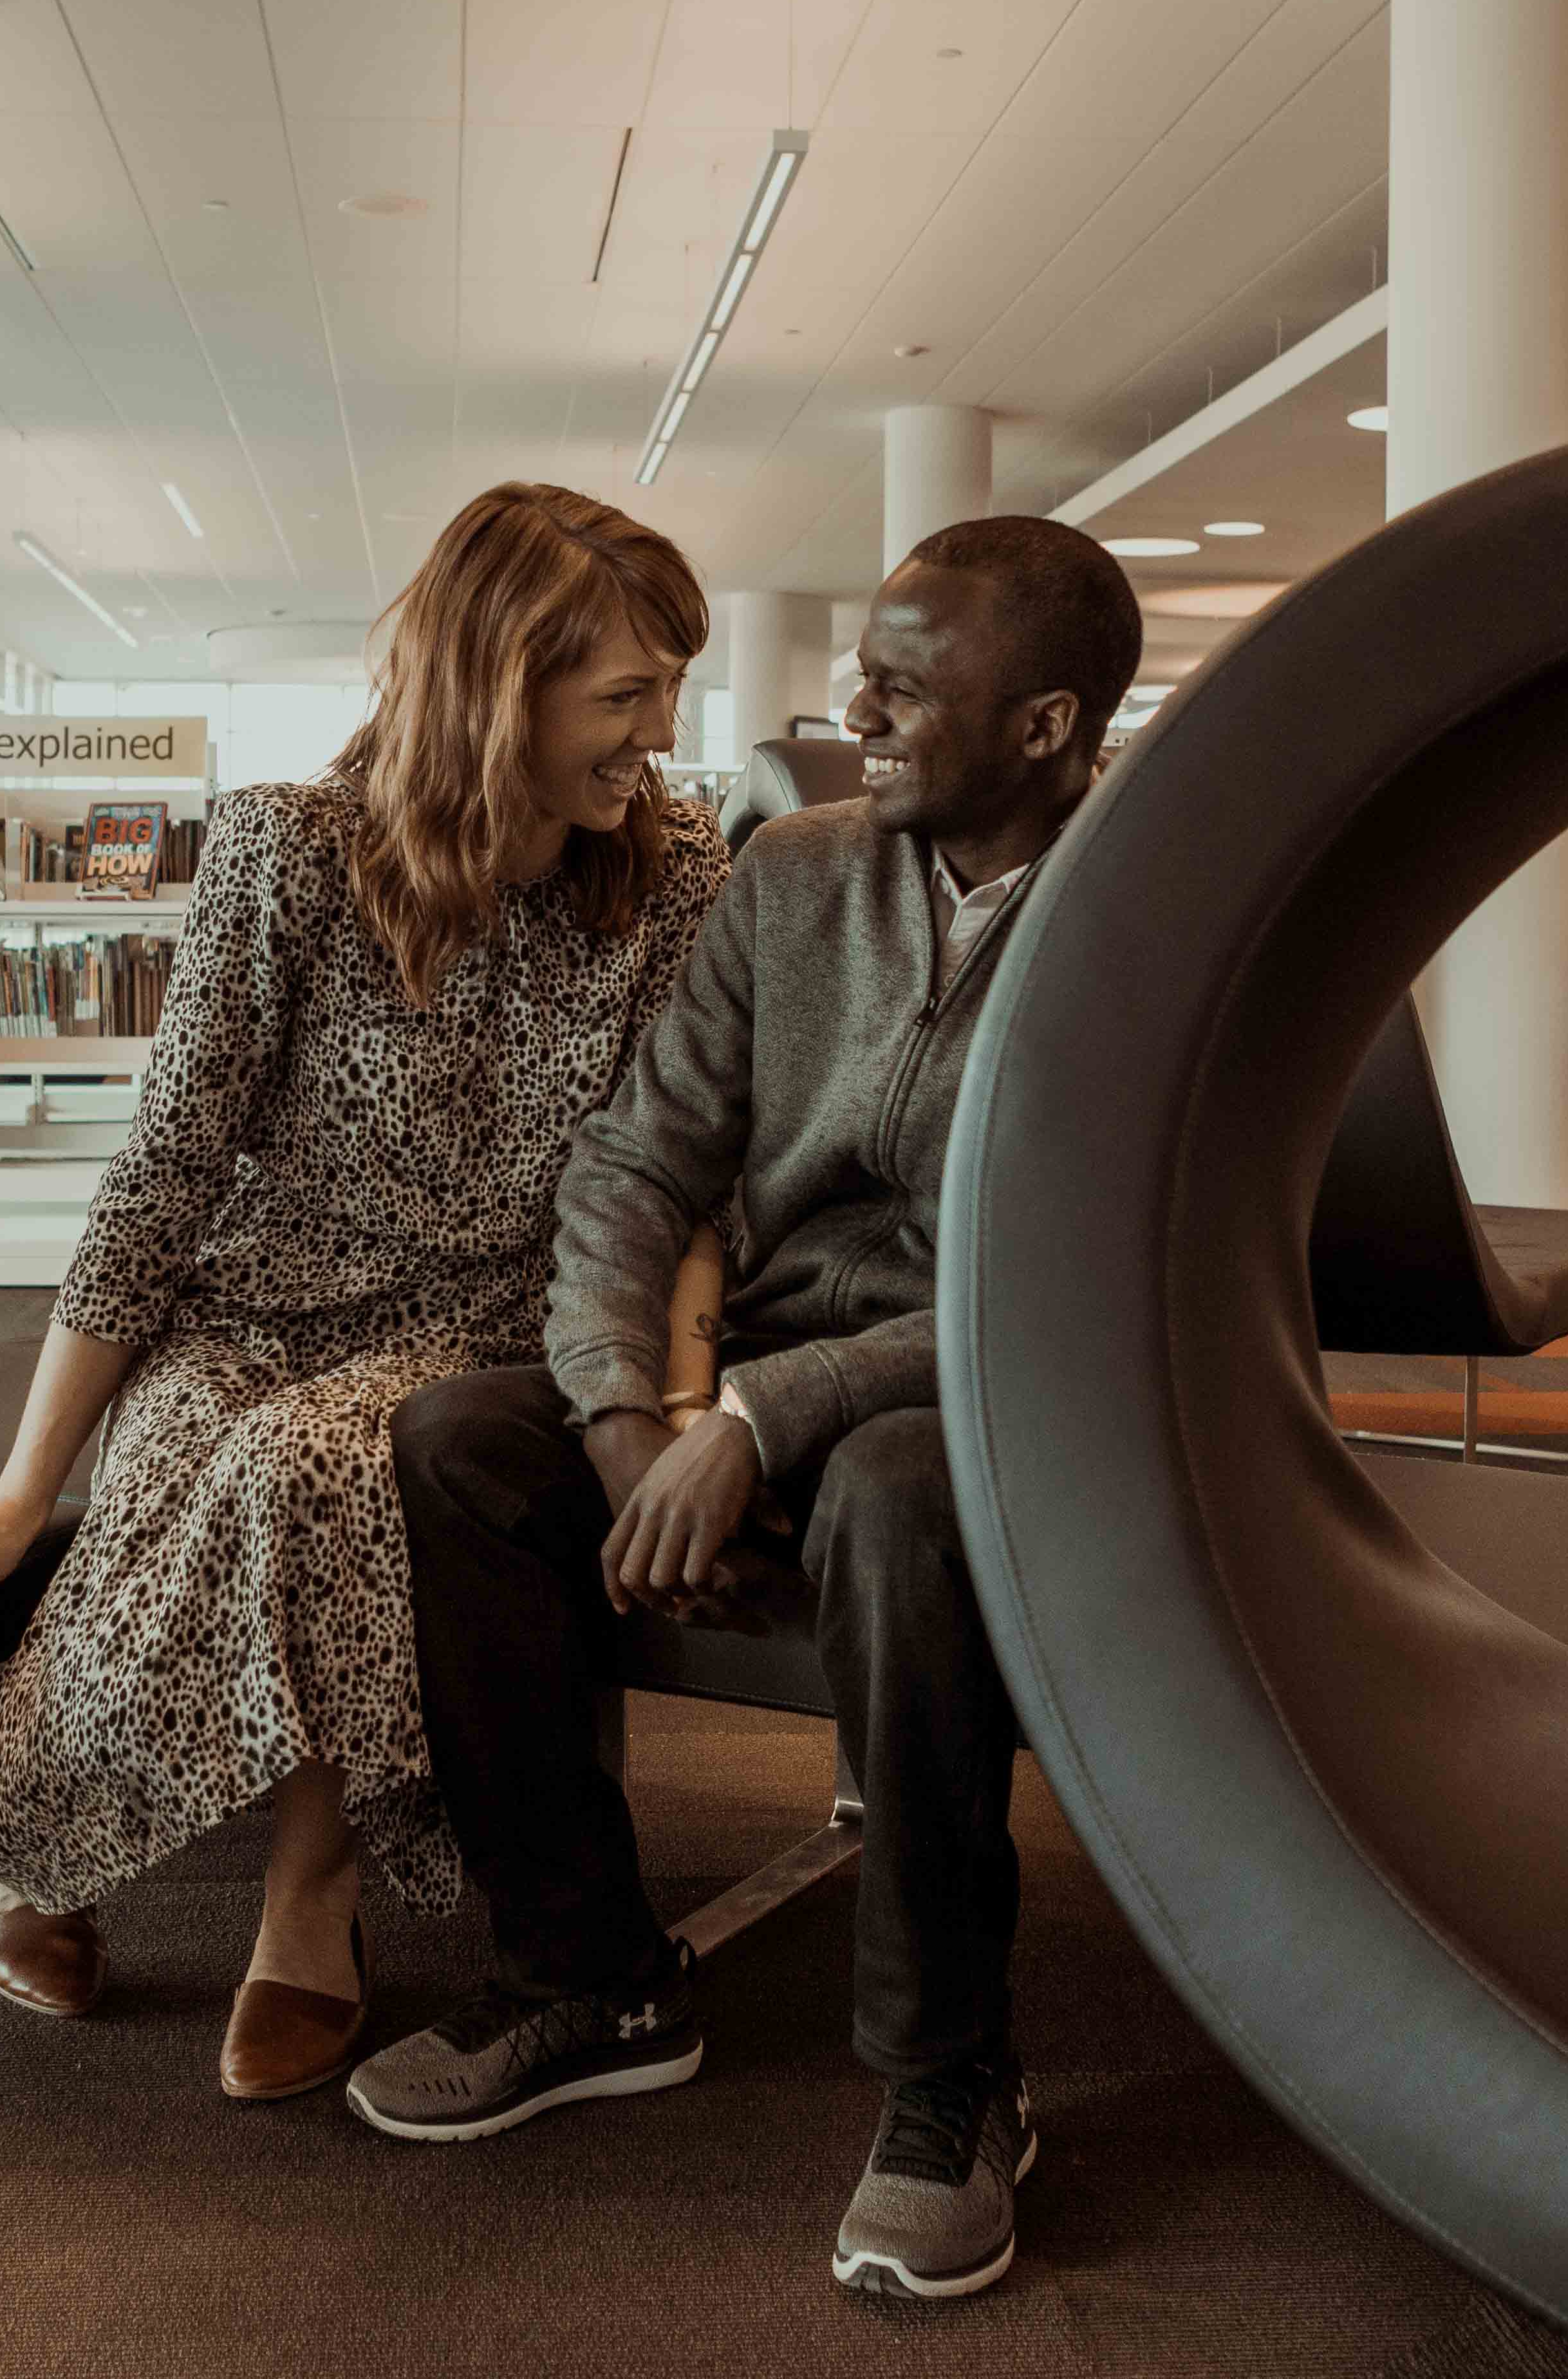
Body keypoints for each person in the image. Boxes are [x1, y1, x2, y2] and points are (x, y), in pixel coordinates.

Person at [0, 484, 727, 2105]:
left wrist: (686, 1395)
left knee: (321, 1467)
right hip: (253, 1304)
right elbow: (164, 1167)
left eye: (667, 686)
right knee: (179, 1456)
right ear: (497, 684)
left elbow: (686, 1165)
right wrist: (21, 1491)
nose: (659, 729)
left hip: (491, 1326)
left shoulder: (673, 867)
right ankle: (45, 1833)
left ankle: (307, 1889)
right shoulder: (292, 851)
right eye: (625, 693)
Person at [347, 514, 1142, 2304]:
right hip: (757, 1387)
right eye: (865, 666)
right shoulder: (795, 875)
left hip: (1004, 1401)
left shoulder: (1146, 916)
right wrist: (629, 1412)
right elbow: (634, 1166)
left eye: (907, 687)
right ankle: (593, 1977)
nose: (854, 705)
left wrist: (754, 1419)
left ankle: (952, 2079)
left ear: (1043, 724)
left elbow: (1064, 1288)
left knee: (894, 1491)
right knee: (465, 1446)